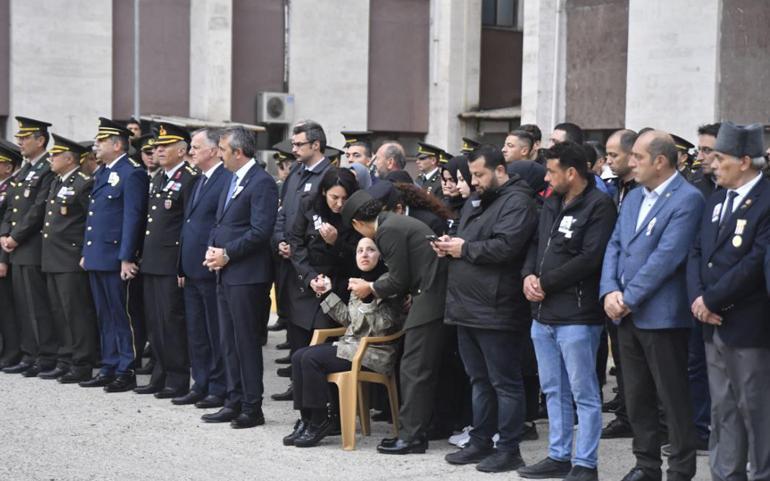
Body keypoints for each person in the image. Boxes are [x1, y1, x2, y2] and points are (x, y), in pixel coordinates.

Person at [600, 130, 702, 481]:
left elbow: (667, 257)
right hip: (625, 315)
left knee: (671, 400)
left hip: (661, 317)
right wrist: (609, 291)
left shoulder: (687, 199)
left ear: (660, 161)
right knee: (637, 396)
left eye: (638, 158)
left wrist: (627, 298)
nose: (631, 162)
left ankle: (680, 469)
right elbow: (614, 245)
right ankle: (646, 465)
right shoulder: (632, 198)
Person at [519, 142, 617, 481]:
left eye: (551, 171)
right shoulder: (551, 201)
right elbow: (535, 243)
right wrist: (529, 275)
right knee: (553, 390)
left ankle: (585, 463)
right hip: (543, 314)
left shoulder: (599, 206)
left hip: (577, 315)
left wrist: (545, 281)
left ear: (572, 173)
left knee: (584, 394)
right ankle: (558, 456)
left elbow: (590, 259)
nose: (547, 177)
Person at [437, 146, 538, 473]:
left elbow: (507, 247)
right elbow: (467, 240)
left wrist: (464, 249)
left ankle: (509, 448)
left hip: (498, 307)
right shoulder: (479, 199)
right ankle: (481, 440)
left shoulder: (517, 201)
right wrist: (449, 246)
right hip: (467, 306)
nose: (474, 181)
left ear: (499, 169)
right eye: (472, 175)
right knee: (478, 379)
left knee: (504, 382)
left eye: (479, 175)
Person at [687, 121, 770, 481]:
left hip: (747, 324)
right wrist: (698, 299)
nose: (713, 164)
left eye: (720, 158)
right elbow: (697, 252)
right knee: (722, 409)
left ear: (746, 160)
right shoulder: (717, 199)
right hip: (711, 321)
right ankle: (726, 474)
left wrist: (712, 299)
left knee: (755, 408)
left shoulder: (766, 201)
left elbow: (755, 262)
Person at [341, 190, 448, 455]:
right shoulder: (393, 223)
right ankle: (414, 431)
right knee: (417, 368)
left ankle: (412, 437)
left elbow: (398, 279)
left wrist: (370, 287)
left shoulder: (387, 230)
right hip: (428, 293)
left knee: (414, 369)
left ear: (357, 223)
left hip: (430, 298)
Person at [283, 237, 400, 448]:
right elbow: (349, 320)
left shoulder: (386, 283)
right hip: (351, 347)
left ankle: (320, 421)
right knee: (299, 355)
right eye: (360, 251)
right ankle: (308, 419)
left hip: (373, 351)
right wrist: (326, 294)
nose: (364, 254)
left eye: (370, 250)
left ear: (380, 255)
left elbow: (385, 325)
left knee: (310, 359)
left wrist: (368, 298)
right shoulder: (359, 280)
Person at [201, 126, 278, 429]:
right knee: (228, 340)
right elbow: (221, 222)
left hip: (247, 276)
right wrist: (213, 249)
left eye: (222, 149)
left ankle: (251, 406)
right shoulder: (232, 179)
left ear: (238, 151)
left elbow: (260, 231)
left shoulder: (262, 183)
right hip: (227, 272)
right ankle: (233, 400)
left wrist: (228, 253)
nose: (219, 154)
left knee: (245, 342)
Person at [278, 168, 360, 401]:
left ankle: (328, 404)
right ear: (324, 192)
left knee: (324, 346)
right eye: (334, 197)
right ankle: (301, 395)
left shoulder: (352, 214)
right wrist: (308, 275)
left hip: (334, 285)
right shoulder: (309, 204)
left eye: (344, 198)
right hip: (306, 280)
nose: (339, 203)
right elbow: (296, 240)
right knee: (298, 341)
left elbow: (355, 257)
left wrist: (335, 243)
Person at [80, 117, 149, 392]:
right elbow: (94, 216)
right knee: (104, 314)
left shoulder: (133, 172)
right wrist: (87, 250)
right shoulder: (104, 171)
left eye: (101, 141)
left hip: (116, 256)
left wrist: (127, 257)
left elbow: (133, 217)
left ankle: (126, 368)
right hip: (98, 254)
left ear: (117, 145)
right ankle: (109, 365)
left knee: (122, 315)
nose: (96, 145)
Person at [133, 123, 198, 399]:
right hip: (152, 261)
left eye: (164, 146)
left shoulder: (189, 178)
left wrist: (182, 264)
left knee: (171, 321)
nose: (157, 150)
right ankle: (159, 373)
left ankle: (177, 377)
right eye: (157, 146)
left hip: (171, 262)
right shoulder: (158, 177)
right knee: (155, 322)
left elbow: (187, 226)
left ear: (182, 150)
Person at [175, 128, 230, 409]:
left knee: (213, 330)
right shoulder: (196, 180)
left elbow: (220, 224)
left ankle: (219, 386)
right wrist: (181, 265)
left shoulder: (225, 179)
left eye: (196, 147)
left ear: (212, 150)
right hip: (191, 266)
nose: (191, 152)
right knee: (196, 331)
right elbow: (188, 225)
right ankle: (202, 382)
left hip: (210, 267)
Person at [273, 121, 333, 373]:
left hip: (313, 266)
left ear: (316, 145)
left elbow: (330, 222)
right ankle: (297, 384)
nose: (294, 149)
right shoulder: (295, 174)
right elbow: (282, 214)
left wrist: (298, 248)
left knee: (315, 332)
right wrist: (280, 241)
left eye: (299, 144)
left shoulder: (329, 176)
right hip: (289, 262)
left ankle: (315, 394)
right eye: (293, 144)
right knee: (293, 328)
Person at [0, 117, 57, 377]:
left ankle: (45, 355)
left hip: (31, 245)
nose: (19, 142)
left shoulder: (47, 168)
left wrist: (16, 236)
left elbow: (38, 209)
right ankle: (29, 352)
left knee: (37, 304)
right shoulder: (25, 169)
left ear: (40, 140)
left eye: (25, 137)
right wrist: (5, 234)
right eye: (19, 137)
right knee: (23, 304)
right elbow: (10, 206)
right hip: (16, 246)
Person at [40, 135, 98, 383]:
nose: (51, 158)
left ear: (69, 158)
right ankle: (65, 359)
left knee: (76, 312)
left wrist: (85, 252)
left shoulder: (83, 183)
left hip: (70, 256)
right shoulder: (56, 182)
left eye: (55, 155)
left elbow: (90, 222)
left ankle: (82, 362)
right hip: (52, 256)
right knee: (59, 311)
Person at [600, 128, 639, 439]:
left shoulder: (642, 190)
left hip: (637, 292)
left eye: (614, 155)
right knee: (623, 361)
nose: (609, 161)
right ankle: (626, 414)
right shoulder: (616, 189)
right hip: (615, 289)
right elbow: (611, 242)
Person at [0, 141, 22, 368]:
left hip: (4, 255)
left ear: (8, 167)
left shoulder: (11, 188)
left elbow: (6, 225)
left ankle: (12, 350)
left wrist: (2, 259)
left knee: (6, 307)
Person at [688, 123, 721, 199]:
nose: (699, 158)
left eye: (706, 150)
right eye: (699, 150)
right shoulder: (695, 182)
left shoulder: (735, 186)